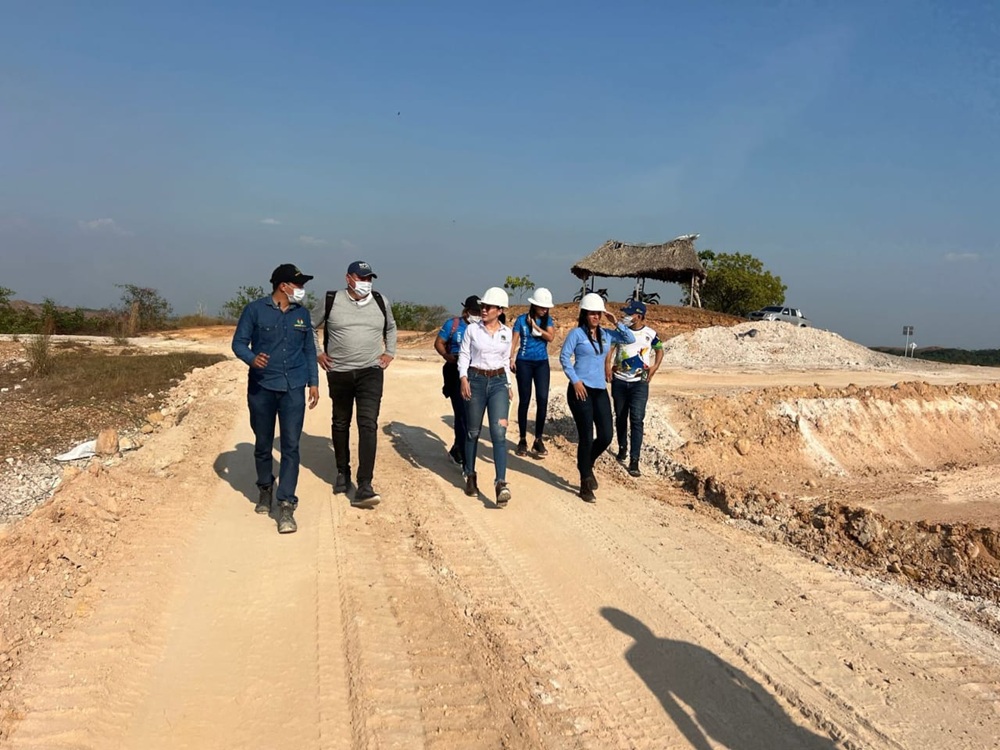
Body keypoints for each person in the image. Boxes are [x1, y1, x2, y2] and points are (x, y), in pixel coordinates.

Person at [231, 264, 320, 534]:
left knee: (291, 446)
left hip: (293, 387)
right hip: (262, 387)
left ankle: (286, 504)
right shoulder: (254, 310)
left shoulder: (302, 314)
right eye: (298, 284)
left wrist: (314, 383)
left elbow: (309, 350)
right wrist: (251, 359)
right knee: (263, 443)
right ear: (283, 286)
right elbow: (238, 343)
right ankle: (265, 487)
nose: (301, 289)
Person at [314, 260, 397, 509]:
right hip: (339, 372)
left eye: (369, 278)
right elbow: (309, 326)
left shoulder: (381, 301)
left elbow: (391, 327)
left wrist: (390, 352)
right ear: (348, 278)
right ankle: (342, 471)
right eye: (362, 278)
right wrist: (318, 353)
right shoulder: (331, 300)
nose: (366, 283)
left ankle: (365, 484)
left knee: (368, 424)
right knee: (341, 422)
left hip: (371, 372)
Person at [559, 293, 635, 503]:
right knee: (586, 436)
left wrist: (615, 321)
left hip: (600, 389)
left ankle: (586, 462)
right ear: (584, 314)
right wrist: (575, 380)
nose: (595, 317)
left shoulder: (606, 334)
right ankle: (584, 481)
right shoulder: (576, 334)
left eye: (598, 313)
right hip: (580, 390)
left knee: (606, 435)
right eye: (592, 313)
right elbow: (564, 357)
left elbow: (629, 339)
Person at [458, 287, 513, 508]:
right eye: (483, 306)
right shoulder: (472, 330)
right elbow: (464, 354)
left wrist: (509, 385)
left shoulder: (507, 333)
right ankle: (470, 475)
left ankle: (501, 483)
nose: (483, 310)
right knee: (473, 432)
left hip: (499, 382)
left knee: (499, 433)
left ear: (499, 310)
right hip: (476, 380)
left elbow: (506, 360)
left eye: (488, 307)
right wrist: (463, 378)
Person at [607, 299, 664, 477]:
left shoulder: (650, 334)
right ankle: (622, 447)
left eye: (629, 313)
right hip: (619, 380)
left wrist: (654, 368)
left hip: (640, 382)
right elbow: (610, 348)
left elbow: (660, 350)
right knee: (620, 416)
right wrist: (607, 366)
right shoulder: (620, 331)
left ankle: (634, 459)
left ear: (638, 316)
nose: (625, 316)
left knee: (637, 419)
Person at [434, 294, 481, 469]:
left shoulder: (482, 328)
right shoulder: (453, 325)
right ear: (466, 311)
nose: (478, 314)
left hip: (475, 372)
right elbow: (439, 343)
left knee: (471, 415)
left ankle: (458, 447)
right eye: (474, 311)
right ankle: (462, 451)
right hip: (455, 372)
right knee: (462, 413)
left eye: (480, 311)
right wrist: (446, 356)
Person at [509, 287, 555, 459]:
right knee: (525, 399)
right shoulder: (521, 320)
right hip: (524, 362)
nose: (544, 310)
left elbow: (550, 337)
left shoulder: (548, 320)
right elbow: (514, 340)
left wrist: (535, 327)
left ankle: (538, 439)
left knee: (542, 399)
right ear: (534, 305)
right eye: (542, 306)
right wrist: (511, 358)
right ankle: (522, 439)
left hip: (542, 363)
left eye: (546, 307)